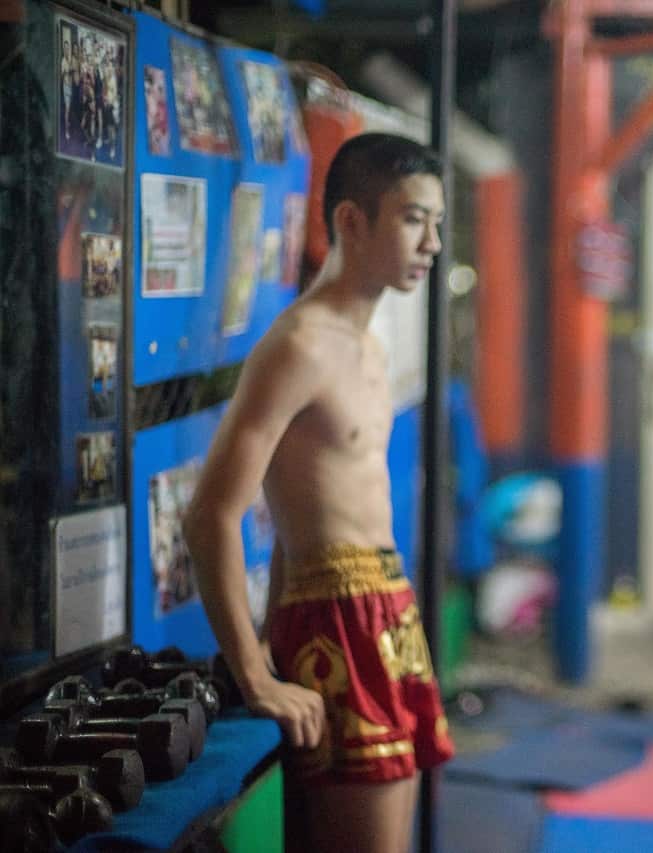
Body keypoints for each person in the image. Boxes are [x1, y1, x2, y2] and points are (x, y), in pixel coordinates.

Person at [184, 133, 454, 853]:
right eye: (411, 219)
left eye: (438, 221)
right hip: (339, 629)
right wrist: (252, 668)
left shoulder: (370, 342)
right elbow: (211, 512)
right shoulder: (300, 344)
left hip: (386, 614)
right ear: (350, 222)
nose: (432, 242)